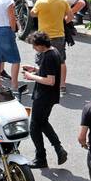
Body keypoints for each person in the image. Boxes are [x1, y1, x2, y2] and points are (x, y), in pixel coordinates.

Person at [21, 31, 66, 169]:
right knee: (43, 123)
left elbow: (50, 80)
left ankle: (41, 157)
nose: (33, 48)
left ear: (41, 45)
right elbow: (48, 71)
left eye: (34, 46)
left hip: (44, 96)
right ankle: (59, 149)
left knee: (34, 127)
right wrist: (35, 69)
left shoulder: (49, 56)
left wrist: (31, 76)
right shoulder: (53, 52)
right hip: (49, 96)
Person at [31, 0, 70, 93]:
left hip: (44, 36)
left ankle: (44, 80)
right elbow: (70, 16)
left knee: (42, 59)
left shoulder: (41, 2)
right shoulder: (63, 0)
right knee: (61, 60)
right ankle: (62, 85)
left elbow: (32, 14)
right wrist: (62, 22)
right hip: (59, 35)